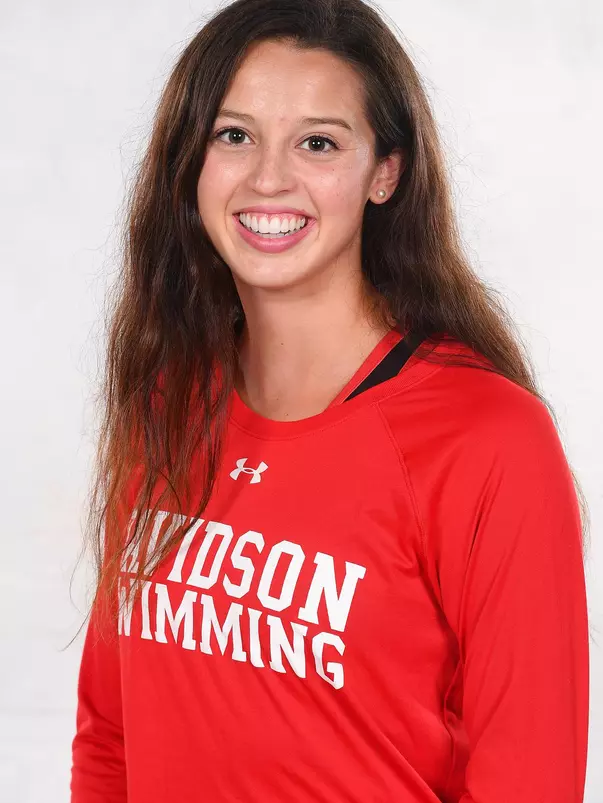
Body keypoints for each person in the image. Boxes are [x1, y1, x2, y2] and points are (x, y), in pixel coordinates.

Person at [69, 0, 590, 800]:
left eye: (318, 142)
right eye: (233, 135)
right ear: (192, 160)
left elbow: (528, 779)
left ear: (385, 172)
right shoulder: (166, 404)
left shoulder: (488, 438)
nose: (268, 177)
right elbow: (111, 736)